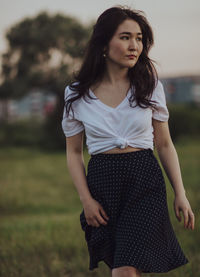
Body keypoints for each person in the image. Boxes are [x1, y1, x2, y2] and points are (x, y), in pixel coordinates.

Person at [61, 5, 195, 277]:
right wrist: (86, 199)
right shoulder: (76, 94)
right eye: (125, 37)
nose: (134, 45)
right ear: (103, 43)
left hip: (144, 180)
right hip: (103, 184)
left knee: (123, 269)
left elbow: (165, 144)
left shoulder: (149, 85)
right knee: (126, 266)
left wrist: (180, 192)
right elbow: (74, 153)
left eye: (139, 38)